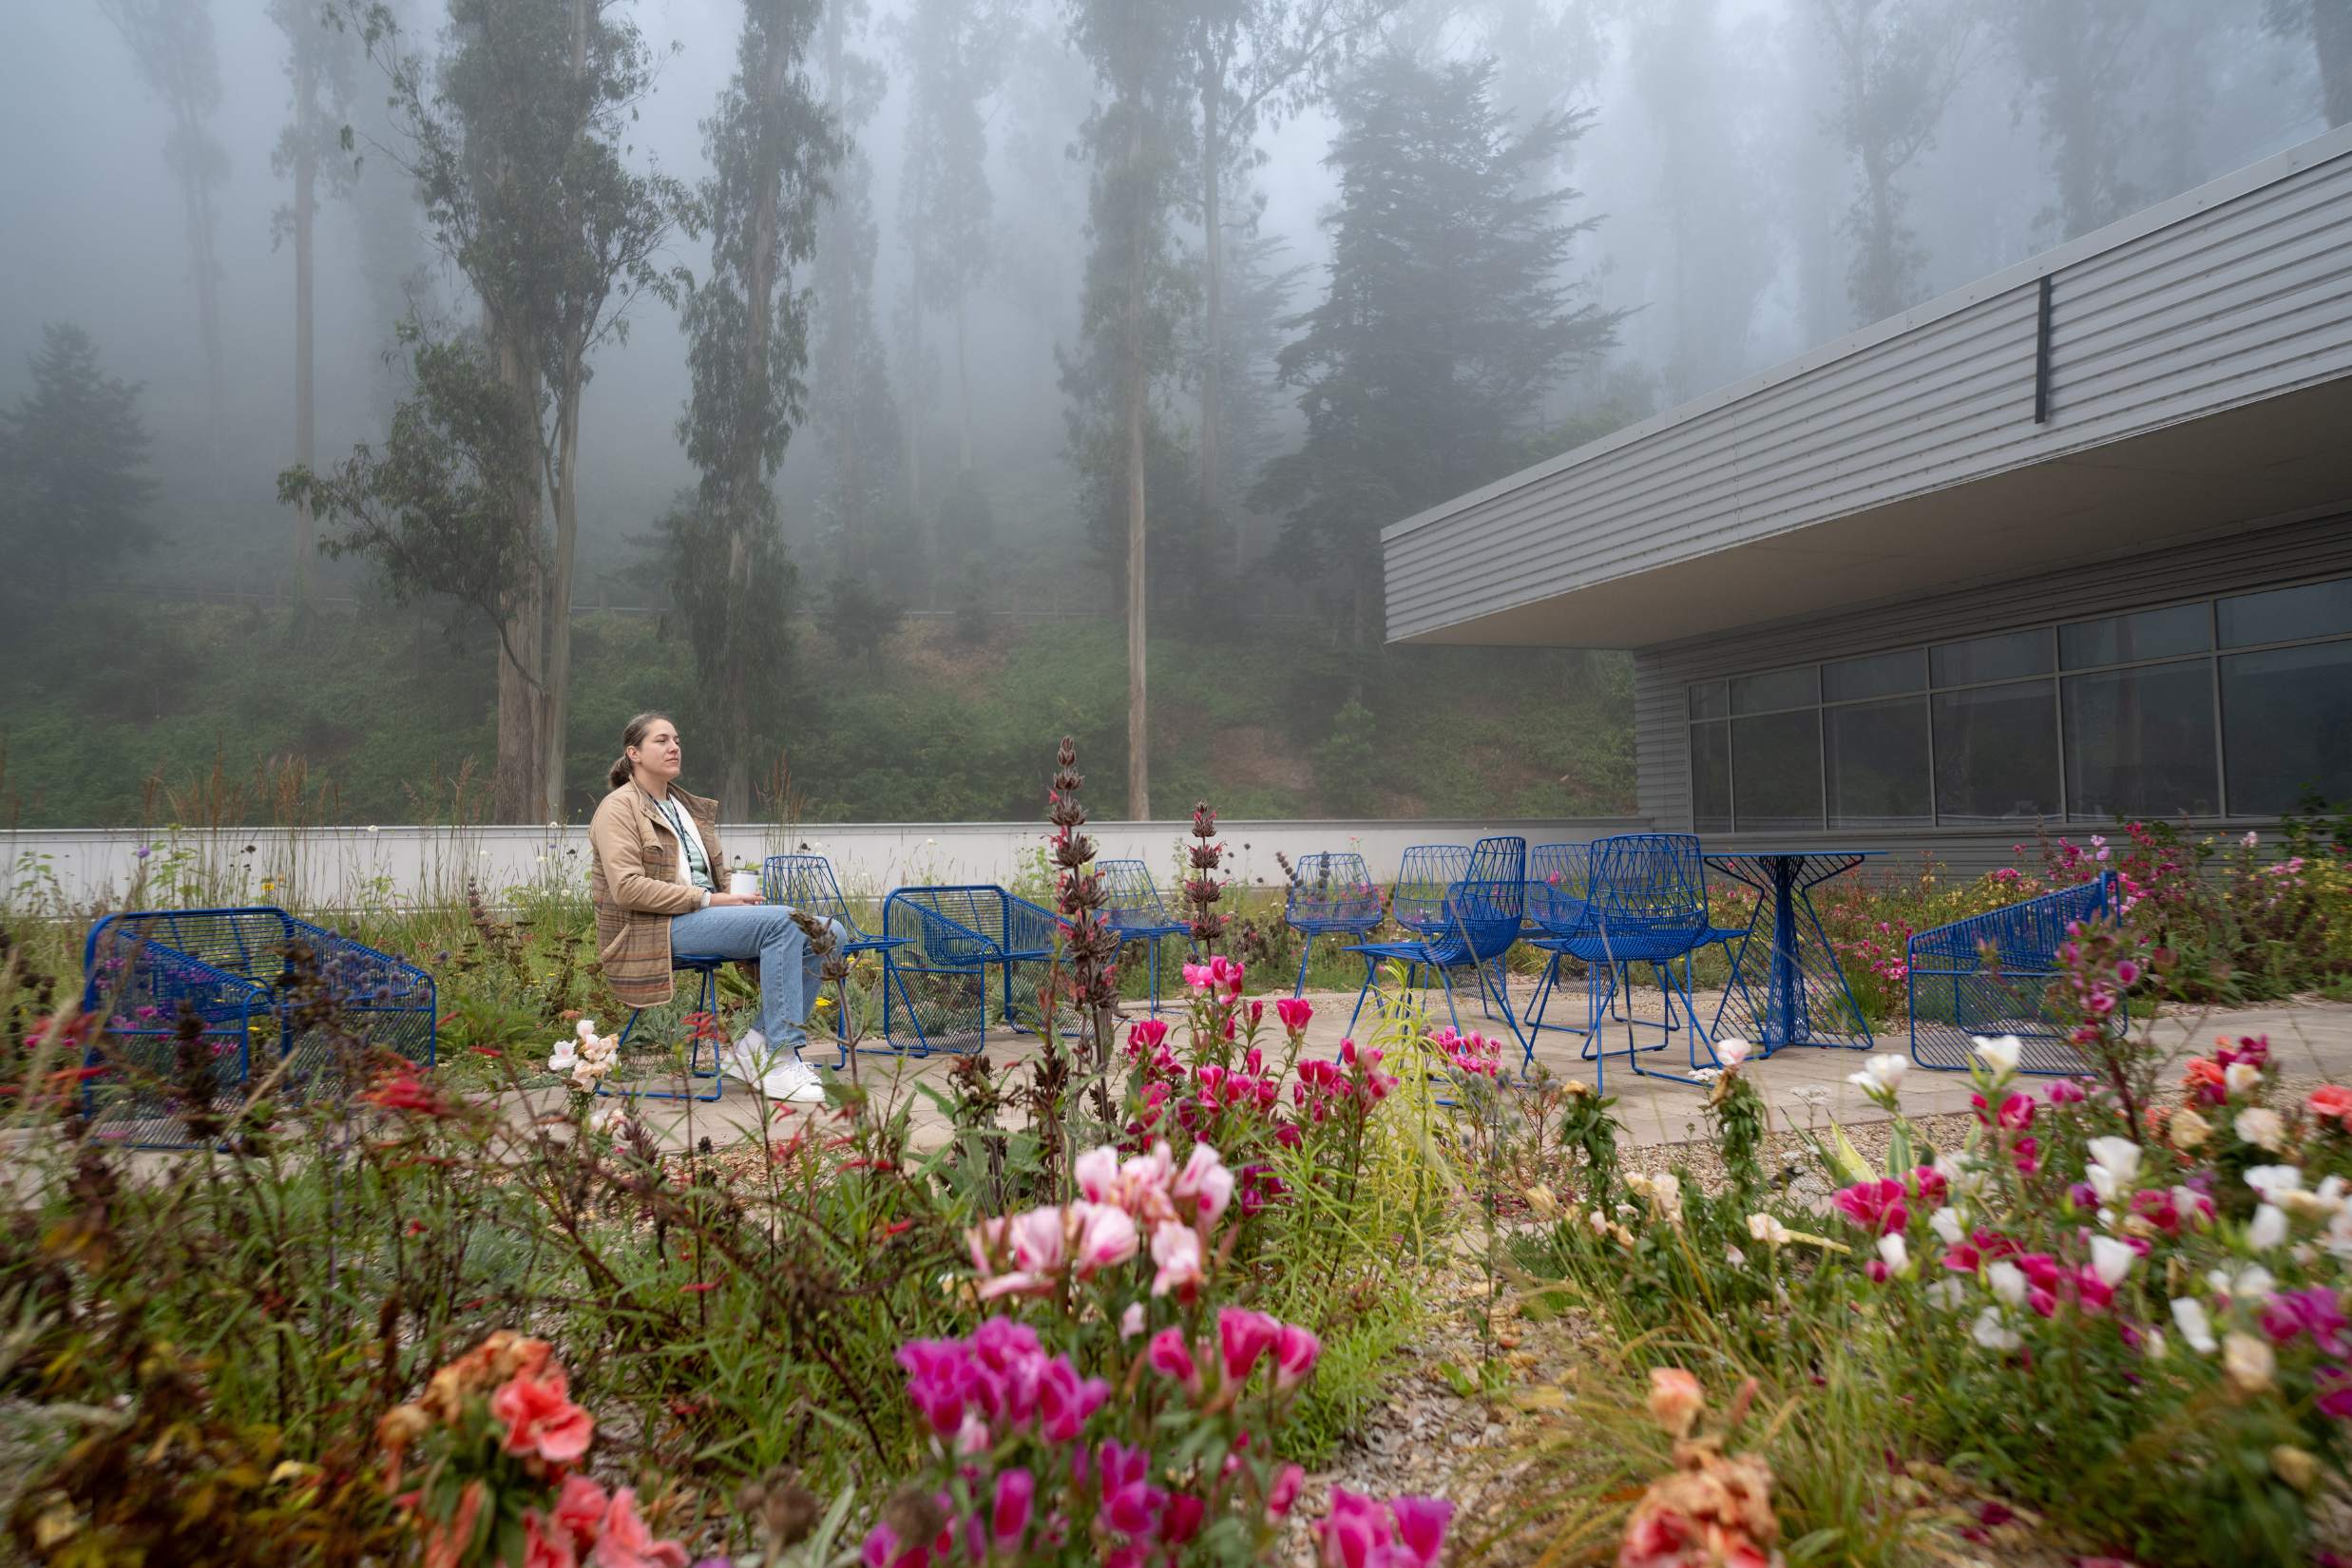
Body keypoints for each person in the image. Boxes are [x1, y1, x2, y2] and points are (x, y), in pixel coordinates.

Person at [586, 711, 841, 1101]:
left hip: (704, 916)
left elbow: (702, 877)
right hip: (653, 929)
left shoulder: (684, 808)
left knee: (830, 933)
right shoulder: (618, 808)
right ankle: (780, 1055)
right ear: (633, 753)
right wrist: (711, 898)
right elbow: (627, 889)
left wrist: (734, 898)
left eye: (677, 740)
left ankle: (756, 1045)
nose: (674, 747)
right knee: (786, 923)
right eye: (661, 740)